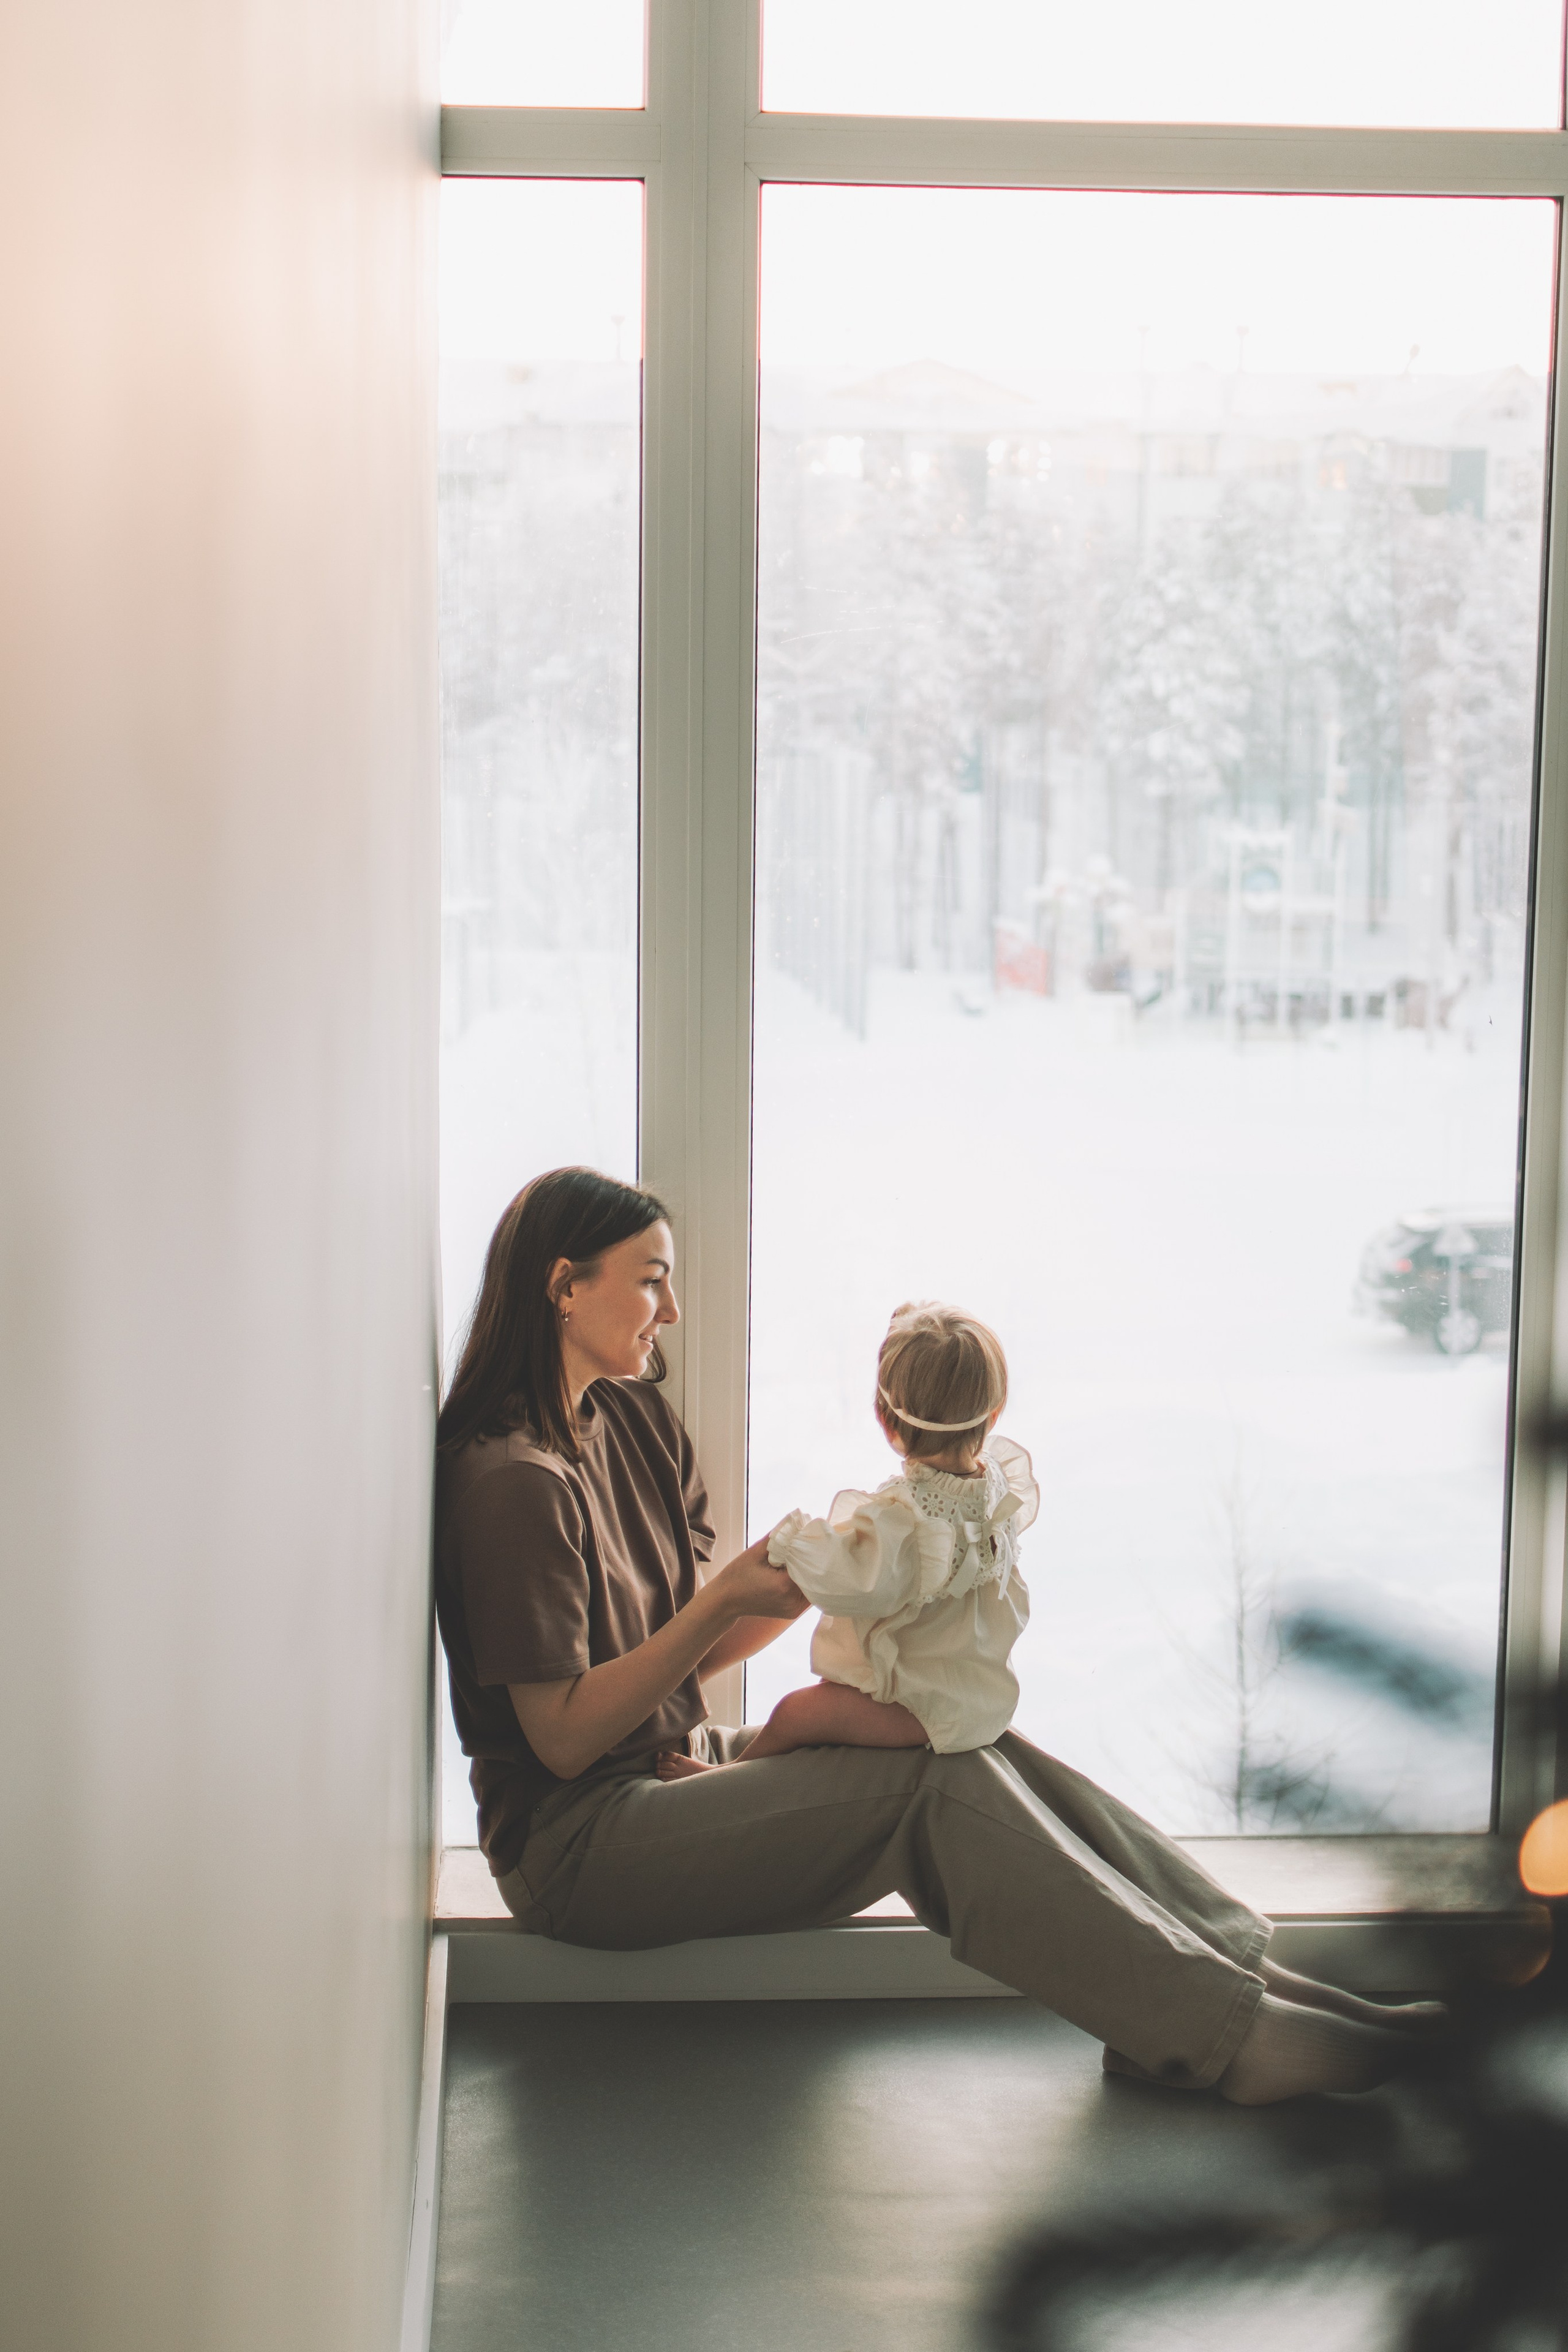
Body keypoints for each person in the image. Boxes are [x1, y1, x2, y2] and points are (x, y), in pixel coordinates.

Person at [434, 1165, 1445, 2106]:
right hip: (581, 1845)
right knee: (929, 1787)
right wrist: (720, 1601)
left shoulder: (632, 1423)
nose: (673, 1310)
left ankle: (1242, 1981)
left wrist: (812, 1588)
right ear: (564, 1287)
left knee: (974, 1745)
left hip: (670, 1765)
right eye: (652, 1281)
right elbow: (563, 1739)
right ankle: (1234, 2040)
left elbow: (673, 1663)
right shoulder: (515, 1480)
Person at [655, 1302, 1036, 1776]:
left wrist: (796, 1544)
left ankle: (719, 1781)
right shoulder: (998, 1488)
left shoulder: (905, 1519)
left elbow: (855, 1581)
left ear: (887, 1422)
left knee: (796, 1713)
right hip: (978, 1698)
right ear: (993, 1414)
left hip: (925, 1709)